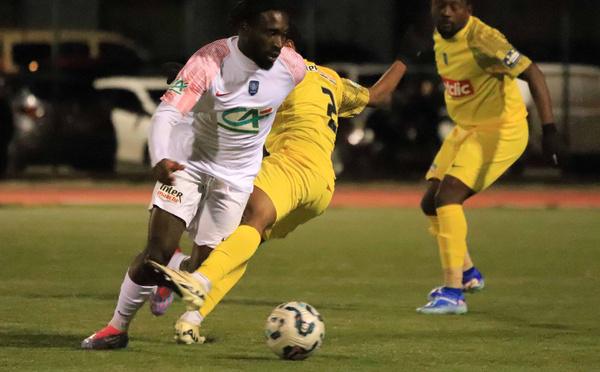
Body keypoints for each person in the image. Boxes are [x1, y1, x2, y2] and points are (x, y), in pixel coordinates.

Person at [81, 0, 306, 349]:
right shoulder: (209, 61)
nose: (279, 43)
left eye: (283, 34)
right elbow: (167, 114)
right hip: (188, 162)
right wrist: (161, 157)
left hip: (236, 178)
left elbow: (318, 91)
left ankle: (170, 274)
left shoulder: (292, 67)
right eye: (270, 32)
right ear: (244, 28)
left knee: (203, 270)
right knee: (156, 253)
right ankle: (116, 328)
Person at [150, 39, 407, 343]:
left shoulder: (280, 74)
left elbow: (228, 93)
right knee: (240, 244)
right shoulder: (330, 78)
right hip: (322, 186)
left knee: (247, 223)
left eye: (274, 37)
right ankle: (190, 320)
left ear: (289, 45)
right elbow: (379, 95)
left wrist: (186, 74)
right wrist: (404, 58)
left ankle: (195, 279)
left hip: (290, 165)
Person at [416, 0, 560, 314]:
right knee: (430, 203)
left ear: (468, 8)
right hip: (467, 128)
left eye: (454, 6)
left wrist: (548, 129)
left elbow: (533, 72)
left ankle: (453, 293)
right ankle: (468, 274)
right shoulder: (441, 33)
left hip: (501, 129)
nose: (446, 12)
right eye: (441, 5)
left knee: (448, 197)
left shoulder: (484, 40)